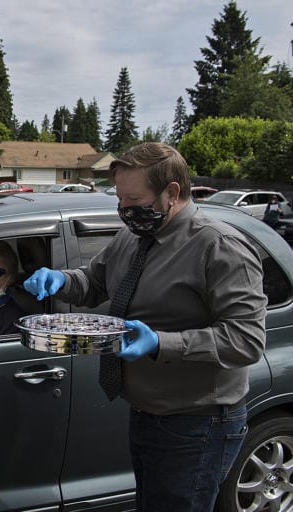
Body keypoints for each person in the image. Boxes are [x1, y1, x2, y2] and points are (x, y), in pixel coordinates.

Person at [23, 142, 266, 511]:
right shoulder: (134, 235)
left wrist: (160, 343)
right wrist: (61, 279)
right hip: (148, 412)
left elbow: (247, 341)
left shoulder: (220, 247)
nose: (124, 210)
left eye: (134, 200)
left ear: (172, 192)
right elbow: (96, 281)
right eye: (119, 199)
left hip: (197, 422)